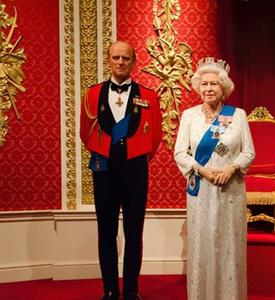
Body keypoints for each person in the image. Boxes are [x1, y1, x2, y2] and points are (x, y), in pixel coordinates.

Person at [80, 41, 162, 300]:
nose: (120, 62)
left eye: (126, 58)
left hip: (135, 170)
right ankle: (110, 290)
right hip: (103, 170)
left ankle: (131, 290)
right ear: (109, 60)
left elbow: (156, 135)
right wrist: (107, 153)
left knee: (134, 230)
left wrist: (135, 156)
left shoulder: (148, 95)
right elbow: (85, 132)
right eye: (116, 57)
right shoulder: (92, 94)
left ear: (134, 62)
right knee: (106, 231)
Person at [174, 57, 255, 300]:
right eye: (204, 84)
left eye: (214, 84)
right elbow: (179, 153)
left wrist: (231, 168)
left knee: (229, 246)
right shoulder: (189, 116)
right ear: (198, 88)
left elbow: (248, 152)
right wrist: (203, 170)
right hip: (201, 189)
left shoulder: (237, 115)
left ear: (224, 89)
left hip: (231, 190)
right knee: (202, 245)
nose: (208, 89)